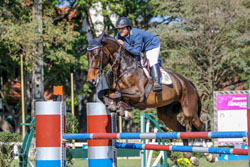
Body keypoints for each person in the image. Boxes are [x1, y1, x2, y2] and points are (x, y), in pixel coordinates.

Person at [115, 16, 162, 92]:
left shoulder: (136, 34)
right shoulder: (119, 35)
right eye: (119, 29)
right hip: (141, 47)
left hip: (152, 45)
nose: (120, 31)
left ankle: (157, 82)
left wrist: (124, 44)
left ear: (128, 28)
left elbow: (136, 52)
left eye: (122, 28)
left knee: (152, 60)